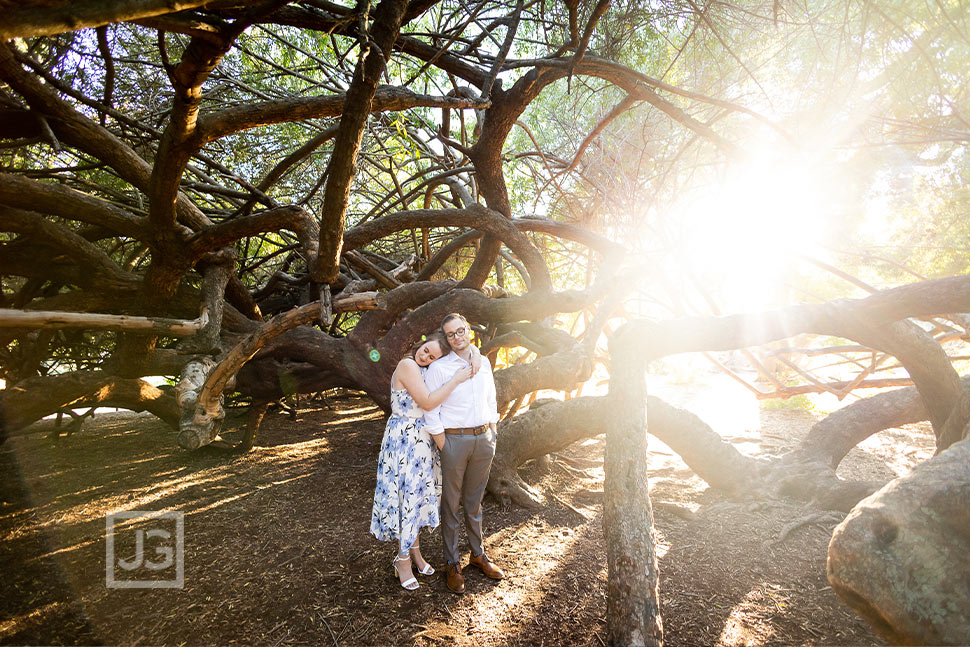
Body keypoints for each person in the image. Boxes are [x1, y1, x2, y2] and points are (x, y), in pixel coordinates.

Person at [370, 333, 478, 591]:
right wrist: (455, 380)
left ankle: (415, 553)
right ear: (420, 343)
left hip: (421, 443)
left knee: (416, 499)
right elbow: (428, 401)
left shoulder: (424, 371)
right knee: (405, 498)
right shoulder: (408, 365)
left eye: (432, 357)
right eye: (426, 350)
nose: (426, 357)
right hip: (404, 442)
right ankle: (402, 560)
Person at [423, 313, 506, 594]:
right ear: (446, 339)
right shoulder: (440, 368)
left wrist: (492, 430)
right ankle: (452, 562)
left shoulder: (482, 364)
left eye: (460, 331)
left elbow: (491, 397)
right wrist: (443, 442)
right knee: (451, 503)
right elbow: (430, 408)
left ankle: (478, 555)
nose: (457, 337)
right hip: (454, 442)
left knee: (474, 502)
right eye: (450, 334)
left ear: (468, 330)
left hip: (484, 439)